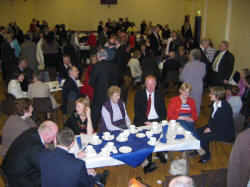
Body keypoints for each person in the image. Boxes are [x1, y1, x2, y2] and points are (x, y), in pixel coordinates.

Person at [40, 128, 109, 187]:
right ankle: (97, 177)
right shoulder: (78, 164)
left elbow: (61, 157)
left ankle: (98, 178)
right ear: (72, 144)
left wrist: (76, 155)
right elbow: (88, 185)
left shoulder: (43, 154)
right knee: (89, 171)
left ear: (55, 140)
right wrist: (91, 175)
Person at [1, 121, 58, 187]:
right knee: (50, 178)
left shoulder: (33, 130)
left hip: (8, 168)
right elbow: (47, 169)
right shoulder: (35, 149)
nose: (55, 139)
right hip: (15, 179)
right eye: (54, 136)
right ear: (47, 135)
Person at [192, 87, 235, 163]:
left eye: (211, 94)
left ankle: (206, 156)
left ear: (217, 97)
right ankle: (199, 150)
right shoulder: (214, 104)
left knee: (204, 136)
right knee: (196, 131)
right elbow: (212, 119)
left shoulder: (226, 107)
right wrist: (209, 127)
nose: (209, 95)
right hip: (216, 127)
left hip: (225, 132)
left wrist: (210, 129)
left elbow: (224, 125)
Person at [133, 75, 167, 171]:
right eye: (148, 84)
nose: (151, 86)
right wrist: (146, 122)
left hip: (156, 120)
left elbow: (164, 112)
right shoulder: (139, 95)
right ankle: (148, 158)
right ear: (145, 84)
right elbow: (137, 111)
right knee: (146, 137)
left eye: (153, 84)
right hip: (143, 120)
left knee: (164, 132)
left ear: (156, 84)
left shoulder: (159, 95)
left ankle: (160, 152)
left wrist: (157, 122)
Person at [89, 49, 119, 130]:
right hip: (111, 96)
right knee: (111, 117)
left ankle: (92, 134)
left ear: (99, 56)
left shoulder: (97, 66)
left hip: (99, 96)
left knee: (94, 119)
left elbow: (91, 82)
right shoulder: (114, 65)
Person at [180, 49, 206, 116]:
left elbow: (182, 77)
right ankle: (195, 119)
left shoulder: (188, 65)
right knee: (196, 105)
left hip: (188, 88)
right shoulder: (203, 65)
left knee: (187, 105)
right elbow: (203, 75)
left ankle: (187, 119)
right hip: (198, 88)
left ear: (192, 56)